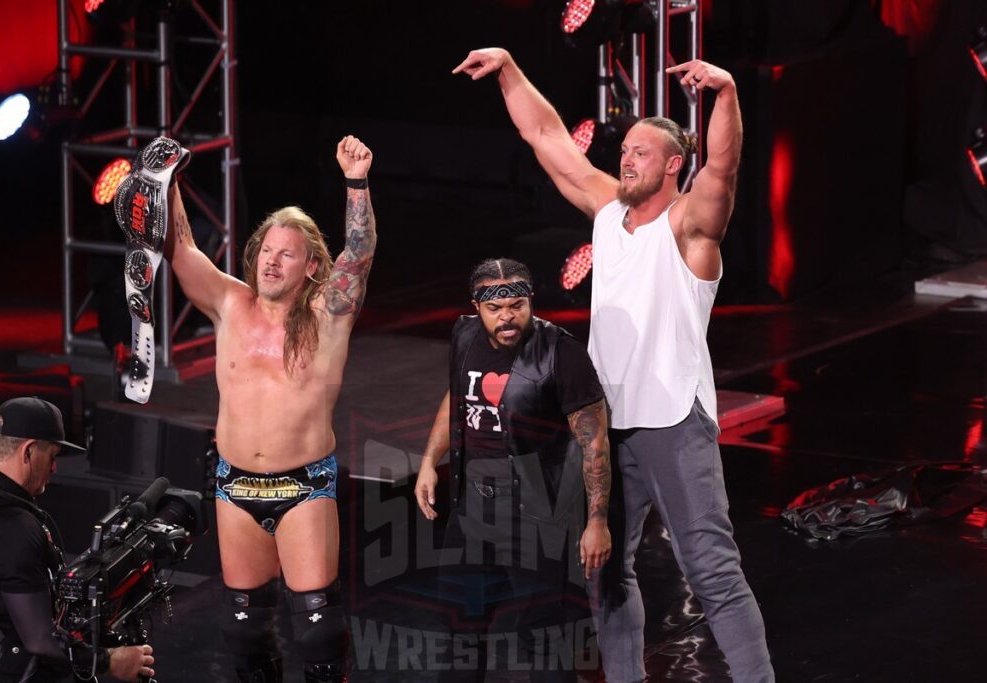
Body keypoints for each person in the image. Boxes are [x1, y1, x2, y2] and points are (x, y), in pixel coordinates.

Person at [453, 49, 774, 682]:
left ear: (673, 165)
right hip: (600, 426)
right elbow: (546, 136)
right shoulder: (606, 213)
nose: (626, 158)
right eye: (624, 149)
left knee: (711, 571)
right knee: (602, 567)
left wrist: (728, 94)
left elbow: (725, 170)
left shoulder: (689, 227)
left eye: (641, 153)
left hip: (673, 422)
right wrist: (511, 68)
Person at [164, 135, 376, 682]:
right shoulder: (229, 302)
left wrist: (356, 182)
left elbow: (360, 252)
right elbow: (180, 248)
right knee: (242, 628)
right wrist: (168, 183)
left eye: (287, 253)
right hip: (234, 485)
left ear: (310, 267)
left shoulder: (329, 314)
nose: (271, 261)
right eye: (266, 249)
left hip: (302, 484)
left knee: (317, 628)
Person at [414, 258, 611, 682]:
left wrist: (596, 520)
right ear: (477, 307)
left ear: (530, 302)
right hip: (471, 510)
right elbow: (457, 398)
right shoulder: (464, 335)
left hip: (534, 514)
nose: (507, 317)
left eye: (517, 306)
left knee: (540, 636)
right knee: (461, 630)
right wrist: (431, 460)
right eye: (495, 309)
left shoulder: (562, 352)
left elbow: (593, 440)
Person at [0, 397, 154, 682]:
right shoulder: (12, 529)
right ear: (28, 452)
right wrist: (108, 661)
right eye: (52, 456)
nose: (54, 468)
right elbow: (40, 640)